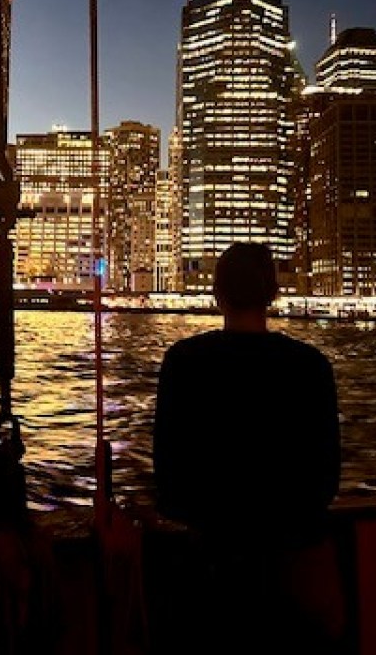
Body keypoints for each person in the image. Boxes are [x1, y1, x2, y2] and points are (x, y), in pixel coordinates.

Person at [152, 241, 345, 653]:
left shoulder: (184, 362)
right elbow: (327, 480)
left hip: (215, 565)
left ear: (217, 295)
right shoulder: (312, 367)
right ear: (273, 294)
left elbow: (168, 486)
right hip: (299, 563)